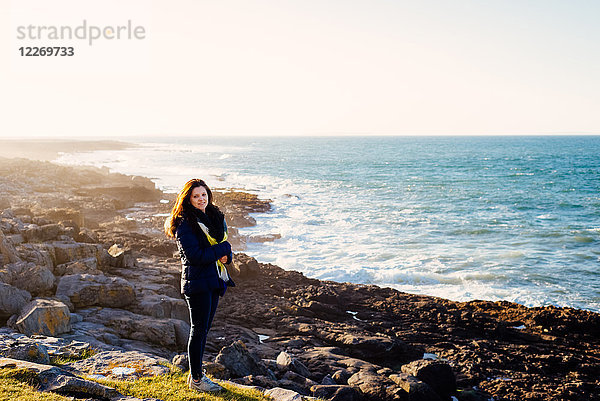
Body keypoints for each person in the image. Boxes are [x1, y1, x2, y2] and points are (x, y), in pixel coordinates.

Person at [164, 178, 235, 392]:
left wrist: (227, 255)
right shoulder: (185, 223)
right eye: (196, 196)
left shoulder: (213, 217)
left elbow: (221, 249)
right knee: (198, 331)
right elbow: (194, 256)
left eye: (203, 195)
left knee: (203, 331)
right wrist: (223, 249)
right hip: (197, 283)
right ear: (188, 199)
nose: (201, 199)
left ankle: (196, 376)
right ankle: (196, 380)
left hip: (212, 280)